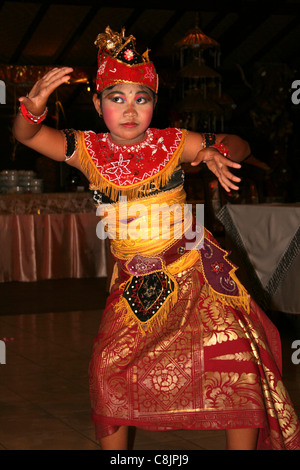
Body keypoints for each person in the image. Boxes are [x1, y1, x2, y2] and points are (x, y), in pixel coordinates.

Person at [13, 26, 300, 451]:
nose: (130, 110)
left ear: (154, 104)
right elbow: (27, 136)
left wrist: (216, 149)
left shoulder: (173, 143)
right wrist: (31, 109)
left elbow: (238, 144)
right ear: (97, 104)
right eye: (117, 98)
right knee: (107, 370)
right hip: (135, 282)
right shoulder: (86, 150)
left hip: (194, 271)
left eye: (141, 99)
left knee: (233, 360)